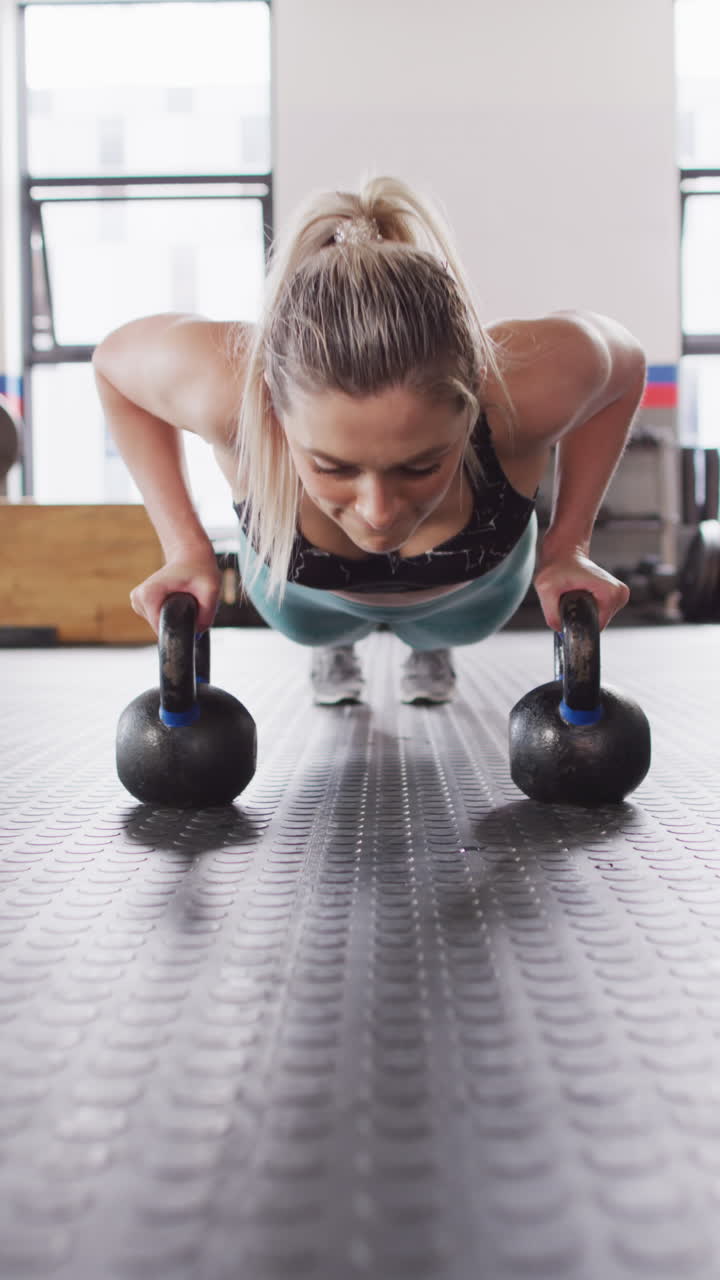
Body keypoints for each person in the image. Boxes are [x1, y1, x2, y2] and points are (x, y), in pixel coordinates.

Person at [93, 175, 644, 706]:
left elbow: (625, 367)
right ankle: (335, 647)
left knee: (433, 634)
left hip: (470, 601)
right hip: (304, 605)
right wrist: (185, 550)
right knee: (321, 632)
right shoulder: (229, 387)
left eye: (420, 466)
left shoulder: (518, 386)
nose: (378, 512)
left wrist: (569, 546)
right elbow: (113, 368)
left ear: (473, 394)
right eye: (333, 468)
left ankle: (432, 646)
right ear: (274, 403)